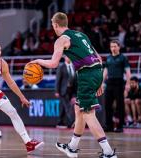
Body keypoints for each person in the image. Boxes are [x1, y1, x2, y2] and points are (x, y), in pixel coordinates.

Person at [30, 12, 116, 158]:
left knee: (88, 114)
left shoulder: (61, 39)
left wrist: (38, 61)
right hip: (96, 72)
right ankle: (72, 146)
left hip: (86, 74)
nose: (53, 28)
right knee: (78, 108)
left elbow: (53, 63)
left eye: (53, 26)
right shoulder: (81, 35)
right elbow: (99, 58)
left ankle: (108, 152)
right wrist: (100, 81)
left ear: (56, 25)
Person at [103, 40, 131, 133]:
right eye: (112, 47)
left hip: (119, 82)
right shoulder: (108, 58)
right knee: (107, 105)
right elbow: (105, 71)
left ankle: (120, 126)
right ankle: (109, 125)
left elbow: (128, 72)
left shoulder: (123, 58)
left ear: (119, 47)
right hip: (109, 82)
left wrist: (128, 84)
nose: (113, 48)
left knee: (120, 105)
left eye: (115, 46)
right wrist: (102, 82)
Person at [55, 55, 76, 128]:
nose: (69, 57)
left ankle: (60, 122)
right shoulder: (61, 66)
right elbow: (58, 79)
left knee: (63, 107)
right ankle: (73, 121)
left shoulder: (74, 66)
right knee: (68, 106)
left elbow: (75, 79)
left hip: (72, 90)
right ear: (65, 57)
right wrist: (57, 91)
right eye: (67, 56)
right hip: (63, 90)